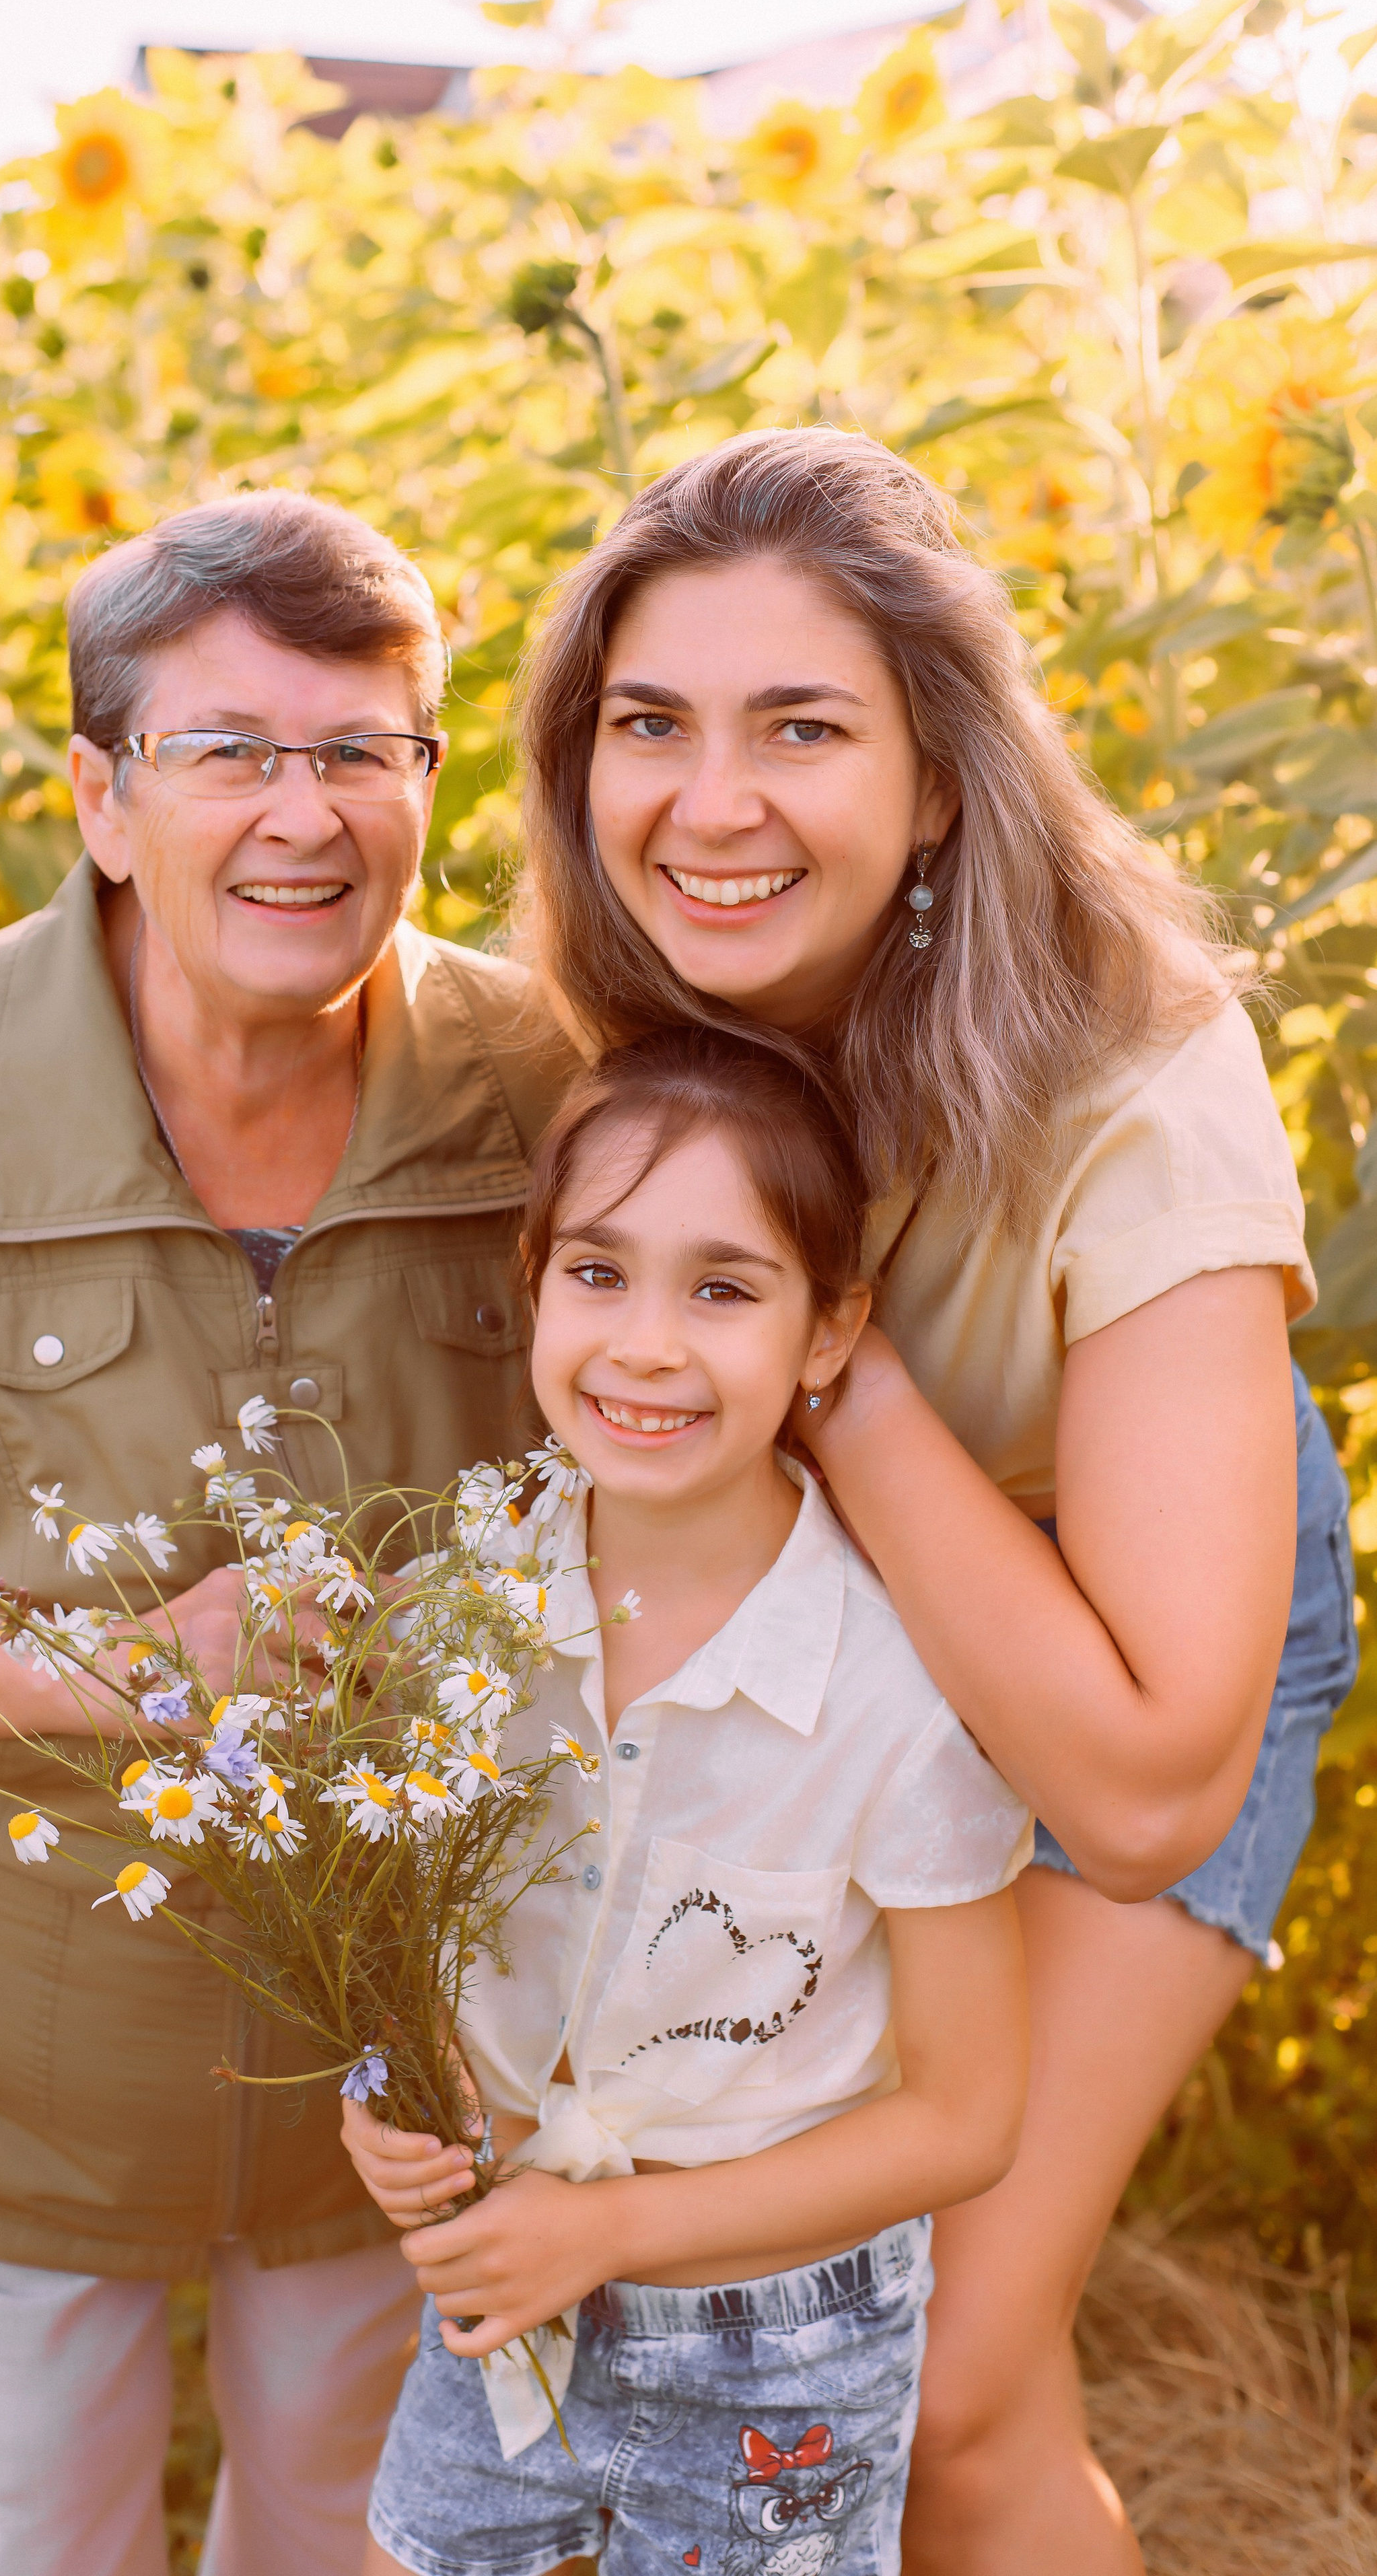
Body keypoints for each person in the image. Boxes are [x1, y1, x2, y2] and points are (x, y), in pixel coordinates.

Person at [0, 489, 573, 2576]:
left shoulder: (547, 1094)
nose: (305, 816)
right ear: (100, 796)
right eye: (228, 751)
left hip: (405, 2034)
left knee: (357, 2513)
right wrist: (114, 1679)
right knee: (19, 2528)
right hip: (9, 2037)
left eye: (364, 751)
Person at [513, 428, 1359, 2575]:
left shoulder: (1132, 1071)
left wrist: (839, 1371)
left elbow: (1155, 1782)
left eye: (802, 726)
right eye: (650, 727)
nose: (710, 806)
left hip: (1132, 1630)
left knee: (943, 2363)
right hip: (820, 1650)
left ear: (944, 776)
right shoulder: (595, 1020)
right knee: (934, 2404)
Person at [343, 1028, 1033, 2576]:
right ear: (532, 1282)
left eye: (721, 1288)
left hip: (780, 2346)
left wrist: (610, 2232)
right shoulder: (457, 1613)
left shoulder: (892, 1696)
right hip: (512, 2281)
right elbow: (409, 1928)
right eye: (597, 1273)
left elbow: (966, 2115)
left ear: (825, 1332)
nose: (643, 1344)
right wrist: (391, 2091)